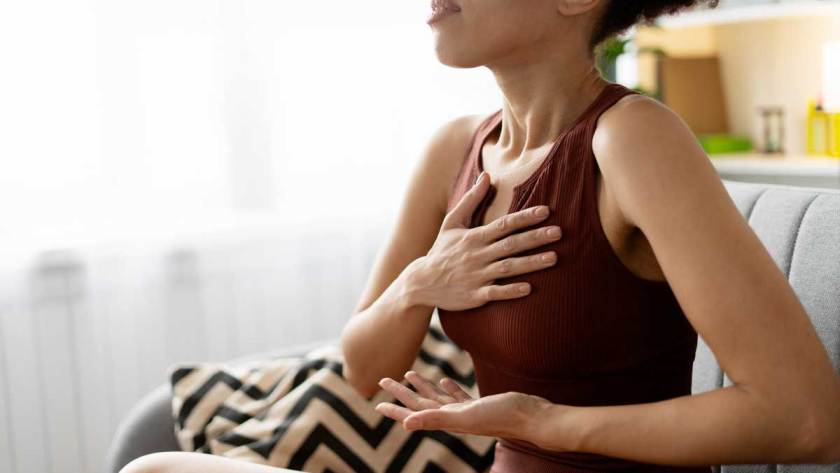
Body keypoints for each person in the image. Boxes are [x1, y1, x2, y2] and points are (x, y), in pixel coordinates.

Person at [121, 1, 840, 472]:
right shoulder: (455, 150)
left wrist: (546, 422)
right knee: (156, 470)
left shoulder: (634, 142)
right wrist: (417, 284)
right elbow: (366, 371)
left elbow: (806, 418)